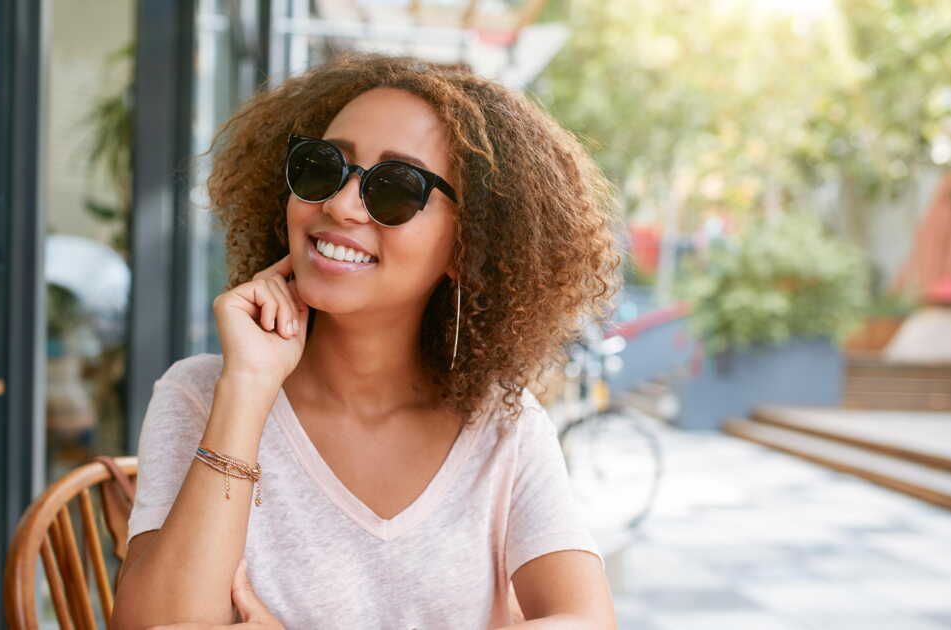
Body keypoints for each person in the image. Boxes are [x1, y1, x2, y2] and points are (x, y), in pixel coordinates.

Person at [110, 52, 622, 630]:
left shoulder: (503, 427)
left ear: (466, 248)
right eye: (323, 168)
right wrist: (249, 391)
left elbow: (584, 619)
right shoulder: (203, 395)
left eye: (397, 189)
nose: (337, 204)